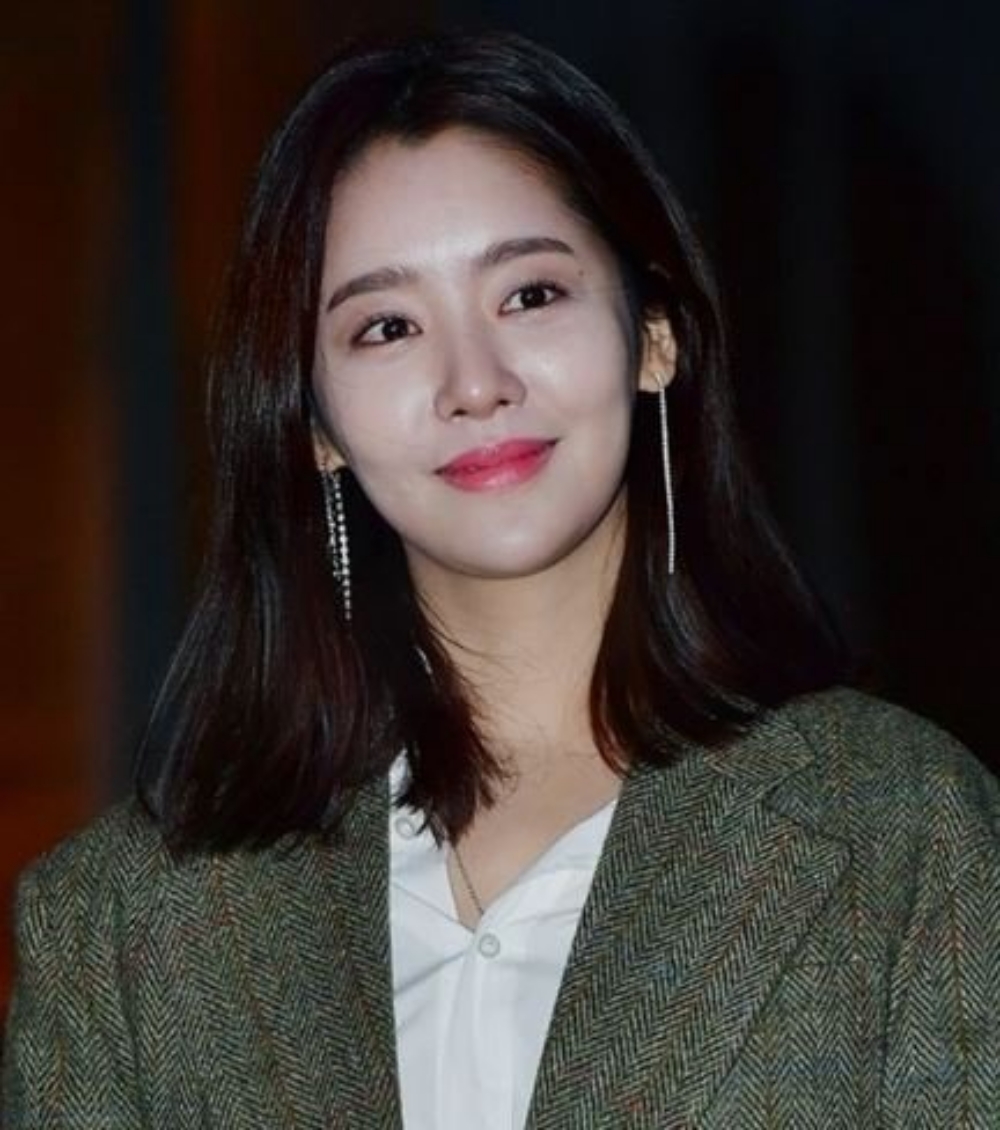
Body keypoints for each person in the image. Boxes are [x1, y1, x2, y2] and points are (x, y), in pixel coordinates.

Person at [3, 27, 999, 1130]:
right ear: (315, 424)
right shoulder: (124, 926)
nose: (473, 383)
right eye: (387, 326)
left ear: (653, 335)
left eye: (529, 294)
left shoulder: (897, 830)